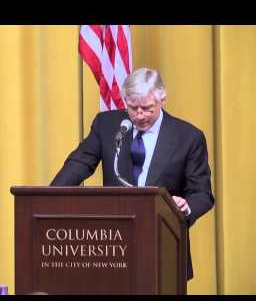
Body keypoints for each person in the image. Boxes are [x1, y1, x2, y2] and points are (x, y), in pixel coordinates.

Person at [51, 67, 214, 280]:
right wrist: (50, 197)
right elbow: (79, 163)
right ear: (124, 100)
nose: (139, 115)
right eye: (132, 107)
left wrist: (186, 206)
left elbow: (202, 193)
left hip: (163, 244)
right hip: (111, 246)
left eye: (147, 108)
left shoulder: (188, 136)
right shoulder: (108, 125)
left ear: (162, 100)